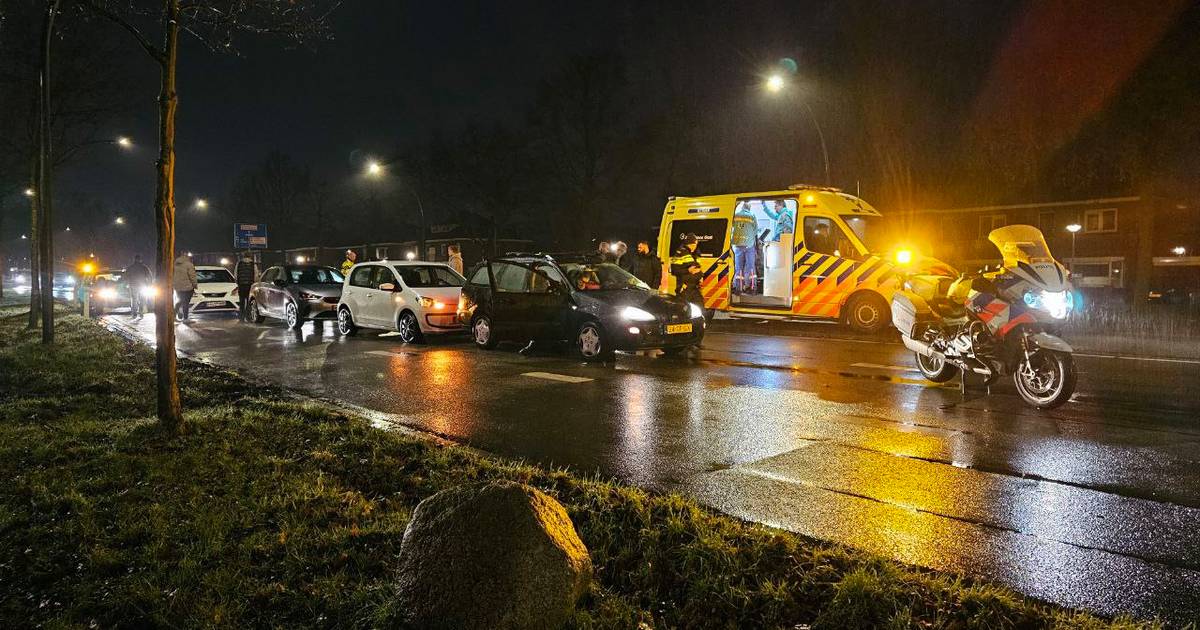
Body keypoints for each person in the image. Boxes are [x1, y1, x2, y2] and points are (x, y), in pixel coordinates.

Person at [731, 201, 759, 294]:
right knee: (750, 267)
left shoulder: (736, 215)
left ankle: (738, 288)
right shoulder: (752, 216)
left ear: (742, 207)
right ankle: (751, 288)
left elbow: (732, 227)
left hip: (738, 245)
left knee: (738, 267)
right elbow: (755, 231)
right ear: (749, 208)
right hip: (749, 245)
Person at [670, 233, 704, 308]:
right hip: (684, 288)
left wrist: (701, 277)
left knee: (700, 308)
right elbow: (674, 270)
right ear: (691, 243)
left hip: (694, 287)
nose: (695, 246)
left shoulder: (695, 254)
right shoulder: (680, 253)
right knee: (683, 310)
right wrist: (688, 271)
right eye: (695, 244)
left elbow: (697, 268)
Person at [124, 254, 152, 320]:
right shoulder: (144, 267)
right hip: (142, 285)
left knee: (134, 299)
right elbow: (149, 276)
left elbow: (125, 276)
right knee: (142, 299)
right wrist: (149, 284)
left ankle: (134, 313)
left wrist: (127, 283)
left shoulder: (130, 267)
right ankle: (141, 311)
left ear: (134, 259)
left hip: (133, 285)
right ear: (140, 260)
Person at [173, 253, 198, 322]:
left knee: (180, 300)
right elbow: (192, 276)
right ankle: (185, 318)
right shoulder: (189, 265)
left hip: (177, 286)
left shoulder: (175, 265)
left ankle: (173, 315)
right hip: (187, 287)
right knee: (186, 302)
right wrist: (195, 285)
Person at [234, 253, 256, 320]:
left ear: (243, 257)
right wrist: (254, 283)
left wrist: (237, 282)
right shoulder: (253, 264)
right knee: (249, 300)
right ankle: (248, 315)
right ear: (250, 256)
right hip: (250, 285)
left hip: (241, 285)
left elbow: (235, 274)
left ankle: (241, 316)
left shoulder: (239, 263)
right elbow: (255, 274)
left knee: (242, 301)